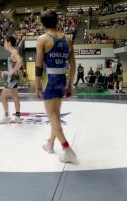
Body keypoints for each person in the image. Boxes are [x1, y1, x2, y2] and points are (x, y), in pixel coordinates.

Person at [35, 10, 77, 163]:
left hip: (50, 80)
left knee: (52, 116)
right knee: (56, 115)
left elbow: (39, 65)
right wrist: (70, 84)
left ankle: (67, 149)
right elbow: (73, 64)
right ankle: (50, 144)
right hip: (62, 78)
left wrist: (37, 85)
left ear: (42, 23)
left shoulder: (42, 39)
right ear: (57, 21)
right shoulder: (68, 39)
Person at [0, 36, 23, 124]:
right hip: (14, 78)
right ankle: (18, 117)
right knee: (15, 97)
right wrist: (13, 70)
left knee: (2, 97)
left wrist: (12, 71)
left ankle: (7, 116)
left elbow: (20, 61)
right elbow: (18, 64)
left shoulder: (13, 52)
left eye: (5, 42)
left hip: (11, 79)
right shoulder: (13, 52)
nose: (4, 44)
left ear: (9, 42)